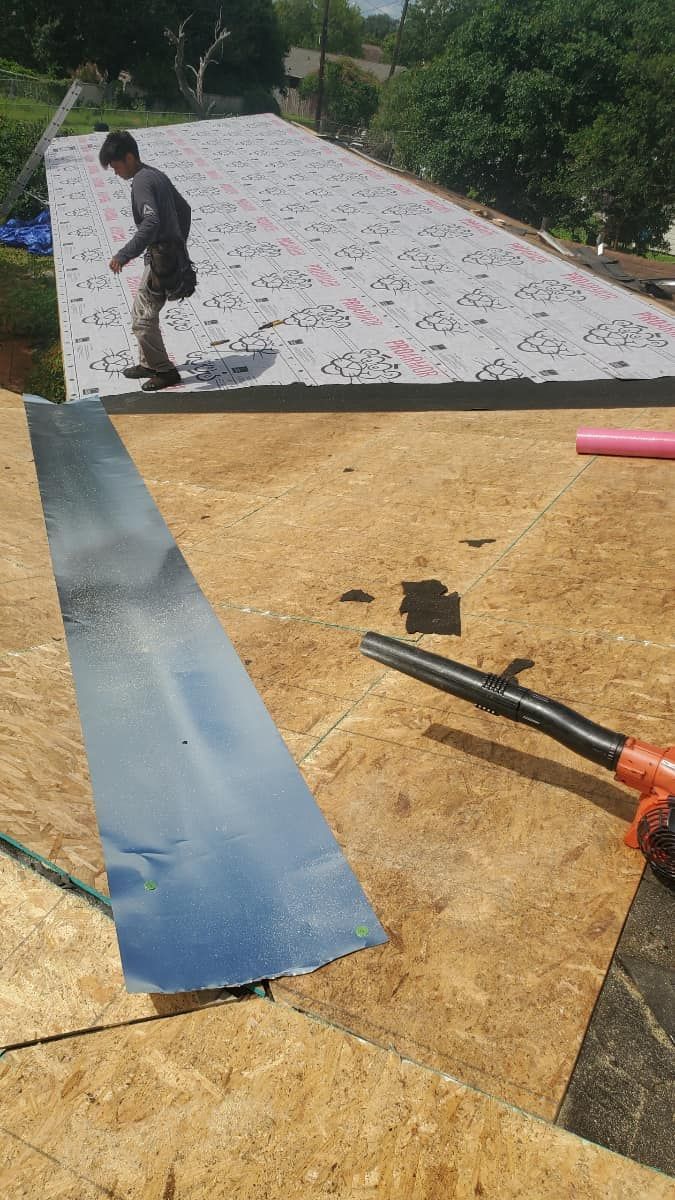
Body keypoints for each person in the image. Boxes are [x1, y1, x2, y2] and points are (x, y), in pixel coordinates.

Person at [99, 130, 191, 392]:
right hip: (167, 255)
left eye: (116, 166)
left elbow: (151, 222)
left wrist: (124, 254)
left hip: (162, 259)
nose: (115, 172)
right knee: (142, 309)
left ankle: (165, 371)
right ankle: (147, 363)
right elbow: (185, 209)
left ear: (129, 158)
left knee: (143, 319)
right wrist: (178, 242)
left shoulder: (141, 181)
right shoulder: (155, 174)